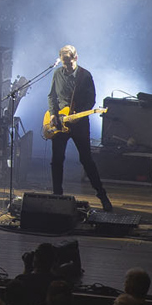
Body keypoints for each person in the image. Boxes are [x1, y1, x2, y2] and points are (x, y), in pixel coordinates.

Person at [46, 45, 112, 211]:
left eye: (69, 63)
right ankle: (57, 196)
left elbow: (91, 100)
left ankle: (103, 197)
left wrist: (80, 114)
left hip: (79, 124)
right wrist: (53, 114)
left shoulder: (85, 76)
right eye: (64, 63)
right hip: (60, 122)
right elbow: (52, 96)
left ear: (76, 58)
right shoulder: (57, 74)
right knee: (57, 160)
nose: (66, 67)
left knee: (87, 160)